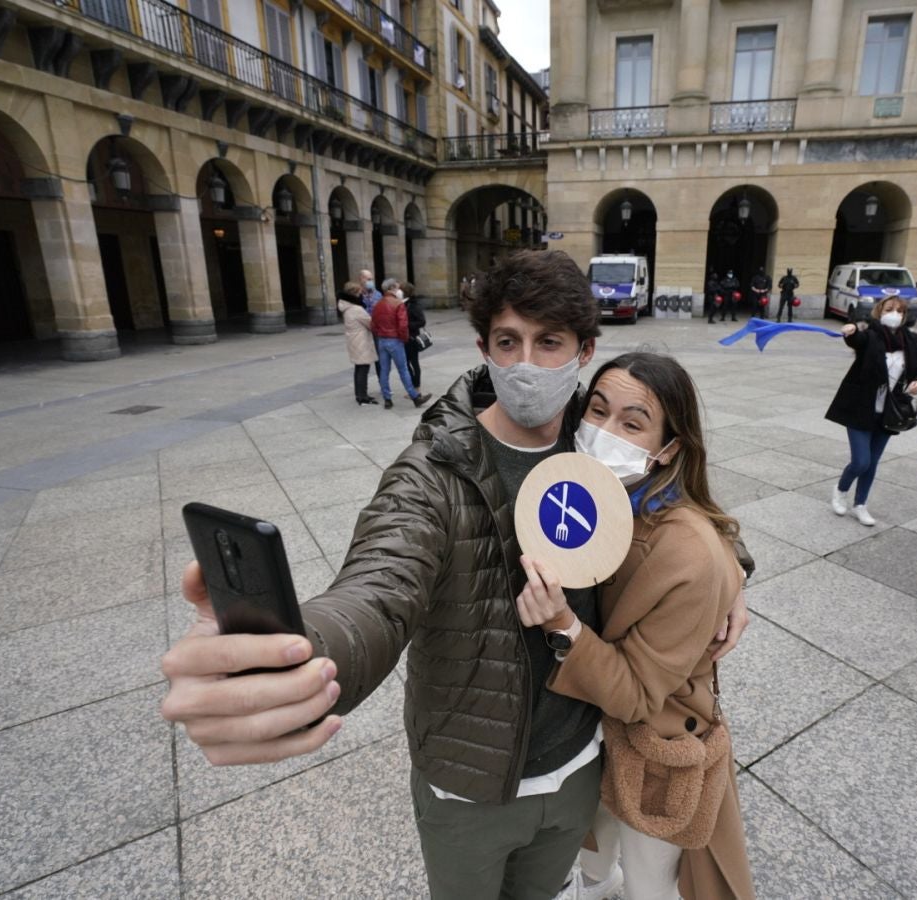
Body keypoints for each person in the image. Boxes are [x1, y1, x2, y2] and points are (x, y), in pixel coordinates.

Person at [159, 250, 750, 900]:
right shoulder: (432, 474)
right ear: (484, 348)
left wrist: (731, 572)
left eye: (548, 342)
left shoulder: (596, 438)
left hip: (580, 765)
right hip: (471, 783)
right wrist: (299, 656)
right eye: (508, 341)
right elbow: (375, 592)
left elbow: (679, 505)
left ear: (583, 350)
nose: (527, 363)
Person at [517, 352, 755, 900]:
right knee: (593, 853)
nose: (603, 433)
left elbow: (638, 695)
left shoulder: (688, 552)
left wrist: (562, 625)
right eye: (596, 411)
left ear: (668, 449)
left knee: (653, 882)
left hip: (650, 740)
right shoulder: (579, 490)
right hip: (578, 733)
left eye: (632, 423)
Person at [825, 296, 917, 527]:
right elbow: (857, 340)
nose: (895, 314)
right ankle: (841, 490)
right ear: (879, 311)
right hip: (861, 408)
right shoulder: (871, 335)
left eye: (900, 311)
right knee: (861, 461)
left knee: (873, 462)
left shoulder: (911, 341)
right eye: (890, 309)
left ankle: (860, 504)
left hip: (889, 413)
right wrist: (851, 330)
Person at [371, 281, 431, 409]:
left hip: (382, 340)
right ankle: (415, 397)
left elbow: (373, 325)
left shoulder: (378, 304)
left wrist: (380, 335)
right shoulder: (398, 304)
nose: (399, 290)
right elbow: (403, 325)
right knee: (403, 369)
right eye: (397, 288)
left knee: (384, 370)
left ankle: (387, 399)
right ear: (392, 288)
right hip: (395, 340)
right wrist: (403, 339)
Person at [337, 280, 378, 405]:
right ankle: (362, 396)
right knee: (363, 368)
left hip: (354, 339)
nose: (361, 294)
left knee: (359, 367)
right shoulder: (356, 309)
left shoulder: (346, 305)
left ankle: (360, 394)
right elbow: (371, 324)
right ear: (354, 293)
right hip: (361, 340)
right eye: (359, 292)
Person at [401, 280, 427, 391]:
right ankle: (413, 386)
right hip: (404, 338)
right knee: (406, 363)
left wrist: (407, 325)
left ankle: (417, 387)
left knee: (413, 363)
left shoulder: (413, 304)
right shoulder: (403, 303)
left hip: (411, 338)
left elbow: (422, 321)